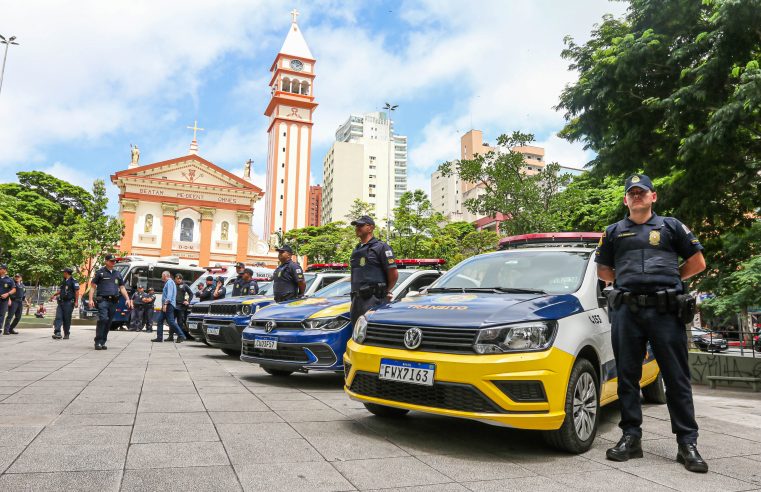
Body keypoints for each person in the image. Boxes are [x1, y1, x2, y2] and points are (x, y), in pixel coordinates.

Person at [596, 174, 708, 473]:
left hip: (666, 311)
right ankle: (631, 438)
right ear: (625, 200)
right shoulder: (613, 231)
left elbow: (697, 262)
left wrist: (669, 282)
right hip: (627, 312)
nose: (637, 196)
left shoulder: (671, 226)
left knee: (676, 378)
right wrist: (628, 281)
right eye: (631, 193)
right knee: (627, 377)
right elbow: (604, 269)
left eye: (641, 192)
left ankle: (687, 443)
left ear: (653, 197)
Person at [348, 215, 399, 328]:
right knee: (357, 336)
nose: (357, 228)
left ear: (370, 228)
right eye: (356, 226)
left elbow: (393, 274)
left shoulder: (381, 247)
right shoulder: (357, 249)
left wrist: (384, 291)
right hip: (356, 300)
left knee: (371, 334)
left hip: (374, 300)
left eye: (361, 225)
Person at [88, 254, 132, 350]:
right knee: (103, 319)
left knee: (108, 322)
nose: (113, 262)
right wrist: (91, 299)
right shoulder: (100, 273)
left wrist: (127, 299)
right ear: (106, 261)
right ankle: (98, 341)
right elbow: (92, 287)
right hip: (103, 300)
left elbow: (122, 287)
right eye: (111, 261)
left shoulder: (118, 274)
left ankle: (103, 342)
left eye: (114, 261)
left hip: (113, 301)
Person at [151, 271, 187, 343]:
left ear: (165, 275)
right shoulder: (169, 282)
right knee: (160, 321)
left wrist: (165, 304)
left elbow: (169, 295)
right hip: (168, 305)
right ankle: (159, 337)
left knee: (171, 321)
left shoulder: (169, 282)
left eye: (162, 275)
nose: (161, 277)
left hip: (168, 305)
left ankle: (181, 335)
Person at [51, 267, 80, 340]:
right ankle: (57, 332)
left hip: (69, 303)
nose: (63, 273)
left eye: (63, 272)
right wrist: (54, 294)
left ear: (66, 273)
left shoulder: (74, 281)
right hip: (61, 302)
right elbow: (62, 290)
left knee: (67, 318)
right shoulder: (64, 281)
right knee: (58, 317)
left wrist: (76, 302)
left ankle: (66, 333)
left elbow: (77, 291)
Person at [167, 274, 194, 342]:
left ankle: (180, 337)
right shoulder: (173, 285)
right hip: (173, 305)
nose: (179, 280)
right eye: (177, 278)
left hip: (181, 307)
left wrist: (188, 301)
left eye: (180, 279)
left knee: (180, 322)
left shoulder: (184, 285)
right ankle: (170, 337)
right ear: (175, 279)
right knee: (171, 322)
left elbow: (191, 294)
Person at [0, 265, 17, 335]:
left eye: (0, 269)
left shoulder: (9, 280)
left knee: (1, 315)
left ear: (4, 270)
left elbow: (14, 289)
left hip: (4, 300)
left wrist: (7, 294)